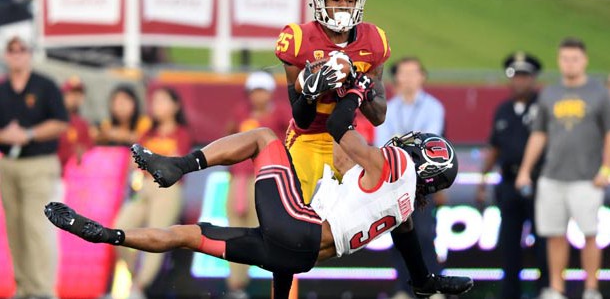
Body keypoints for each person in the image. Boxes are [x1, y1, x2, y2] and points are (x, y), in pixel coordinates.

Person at [45, 87, 473, 299]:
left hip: (300, 227)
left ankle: (178, 166)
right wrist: (428, 281)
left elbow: (342, 131)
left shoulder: (394, 167)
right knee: (191, 234)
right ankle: (106, 234)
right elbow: (412, 251)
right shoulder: (403, 208)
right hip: (300, 254)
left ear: (419, 158)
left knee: (264, 137)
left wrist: (353, 93)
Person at [275, 0, 391, 202]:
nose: (342, 6)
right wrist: (311, 91)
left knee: (361, 209)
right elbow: (301, 118)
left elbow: (378, 116)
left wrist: (357, 83)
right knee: (290, 211)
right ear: (320, 2)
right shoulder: (298, 39)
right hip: (305, 138)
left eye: (349, 0)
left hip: (345, 136)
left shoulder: (374, 40)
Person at [516, 38, 610, 299]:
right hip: (552, 176)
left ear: (585, 60)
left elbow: (608, 133)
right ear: (559, 61)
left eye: (575, 58)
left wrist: (607, 168)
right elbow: (539, 135)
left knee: (590, 234)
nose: (570, 63)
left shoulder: (599, 93)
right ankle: (557, 288)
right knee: (554, 235)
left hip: (587, 177)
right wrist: (526, 169)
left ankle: (591, 287)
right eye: (565, 58)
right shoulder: (550, 94)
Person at [0, 35, 68, 299]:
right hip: (9, 164)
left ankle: (42, 288)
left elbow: (61, 122)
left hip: (38, 163)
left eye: (22, 50)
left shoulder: (45, 86)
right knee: (15, 227)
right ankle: (24, 286)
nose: (17, 55)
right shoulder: (3, 90)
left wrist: (28, 134)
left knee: (37, 225)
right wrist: (6, 135)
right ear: (6, 55)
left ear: (30, 54)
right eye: (12, 50)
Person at [476, 52, 548, 299]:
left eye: (525, 76)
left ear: (534, 79)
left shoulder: (544, 107)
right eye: (515, 76)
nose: (519, 81)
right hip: (507, 182)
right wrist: (483, 178)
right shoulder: (503, 110)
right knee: (508, 245)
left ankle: (546, 291)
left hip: (540, 182)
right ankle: (509, 294)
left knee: (543, 244)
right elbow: (494, 147)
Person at [375, 57, 446, 299]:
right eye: (403, 74)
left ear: (422, 77)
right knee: (400, 234)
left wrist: (400, 143)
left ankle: (432, 288)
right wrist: (408, 145)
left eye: (413, 73)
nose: (408, 79)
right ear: (396, 79)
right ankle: (403, 290)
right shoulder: (387, 108)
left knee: (426, 234)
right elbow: (381, 144)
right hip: (395, 182)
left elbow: (431, 143)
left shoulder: (434, 107)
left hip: (424, 183)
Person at [113, 87, 192, 298]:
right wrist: (153, 162)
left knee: (156, 236)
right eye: (154, 101)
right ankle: (135, 280)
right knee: (119, 229)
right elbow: (133, 162)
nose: (156, 105)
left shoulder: (181, 133)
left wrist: (148, 161)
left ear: (175, 106)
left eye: (162, 101)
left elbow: (173, 165)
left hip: (168, 189)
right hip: (145, 188)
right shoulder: (148, 132)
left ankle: (139, 288)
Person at [224, 71, 290, 299]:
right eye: (254, 91)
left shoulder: (280, 113)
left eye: (262, 91)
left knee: (257, 226)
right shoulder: (241, 113)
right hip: (239, 177)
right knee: (235, 226)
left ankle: (262, 281)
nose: (258, 96)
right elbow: (229, 137)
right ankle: (236, 283)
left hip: (264, 177)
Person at [57, 75, 93, 170]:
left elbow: (89, 149)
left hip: (76, 174)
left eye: (78, 94)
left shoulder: (83, 124)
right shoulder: (54, 119)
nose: (75, 98)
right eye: (71, 94)